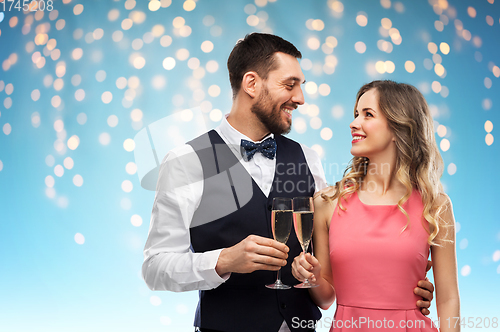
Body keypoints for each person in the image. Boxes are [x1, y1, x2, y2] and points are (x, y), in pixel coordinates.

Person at [142, 34, 434, 332]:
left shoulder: (308, 158)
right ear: (252, 84)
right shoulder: (186, 161)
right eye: (289, 85)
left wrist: (404, 287)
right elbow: (154, 268)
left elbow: (337, 260)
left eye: (301, 86)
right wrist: (224, 260)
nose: (300, 98)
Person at [291, 80, 460, 331]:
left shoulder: (435, 206)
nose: (354, 123)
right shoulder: (327, 203)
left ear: (399, 126)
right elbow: (326, 299)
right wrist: (312, 276)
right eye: (356, 114)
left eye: (368, 115)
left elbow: (448, 299)